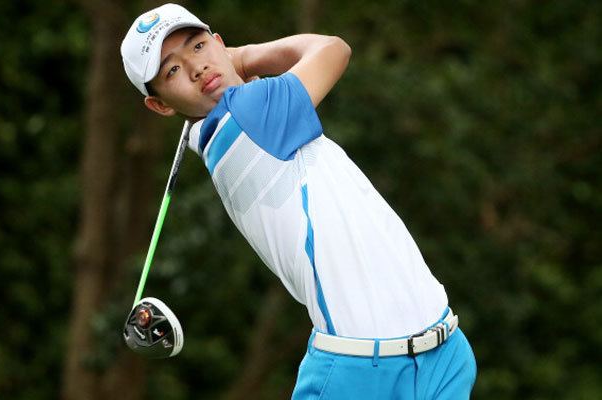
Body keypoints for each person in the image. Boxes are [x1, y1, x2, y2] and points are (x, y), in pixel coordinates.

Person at [121, 3, 476, 399]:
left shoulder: (239, 123)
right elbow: (333, 49)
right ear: (160, 105)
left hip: (442, 352)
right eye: (172, 70)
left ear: (216, 41)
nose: (196, 68)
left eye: (199, 46)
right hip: (359, 376)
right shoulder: (247, 115)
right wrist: (244, 54)